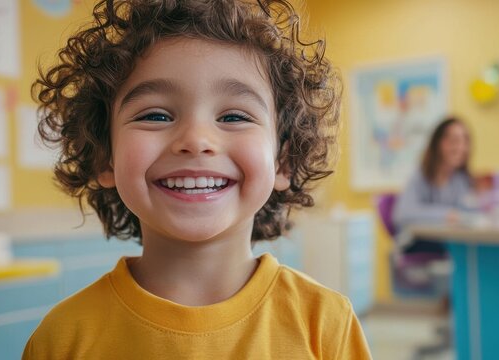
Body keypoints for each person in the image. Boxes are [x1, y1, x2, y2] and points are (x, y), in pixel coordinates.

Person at [22, 1, 371, 359]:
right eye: (156, 116)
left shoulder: (325, 326)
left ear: (283, 160)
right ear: (104, 156)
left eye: (234, 116)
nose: (196, 140)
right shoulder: (61, 339)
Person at [392, 116, 474, 254]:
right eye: (454, 141)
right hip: (417, 248)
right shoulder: (420, 176)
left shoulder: (461, 180)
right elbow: (403, 213)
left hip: (448, 246)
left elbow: (466, 212)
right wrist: (446, 214)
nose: (461, 147)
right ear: (438, 143)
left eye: (465, 141)